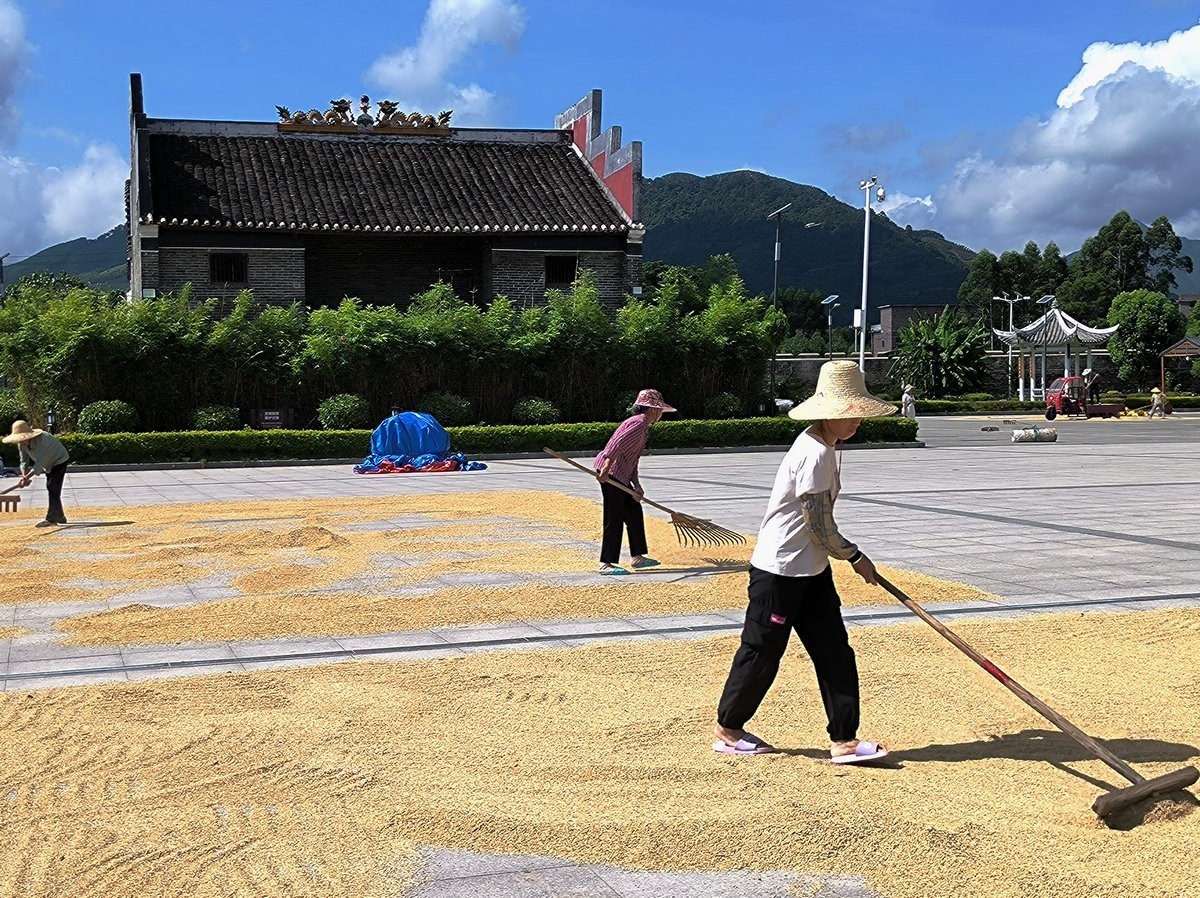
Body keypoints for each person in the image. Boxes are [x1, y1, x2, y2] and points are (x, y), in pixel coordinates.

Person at [713, 360, 897, 764]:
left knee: (834, 650)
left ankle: (845, 740)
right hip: (780, 571)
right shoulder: (814, 453)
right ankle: (728, 729)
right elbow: (820, 526)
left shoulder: (827, 446)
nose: (855, 422)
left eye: (858, 414)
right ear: (825, 413)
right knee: (762, 650)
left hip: (811, 569)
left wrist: (844, 556)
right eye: (847, 414)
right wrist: (856, 556)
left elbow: (820, 530)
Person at [593, 389, 676, 575]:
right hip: (611, 473)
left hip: (621, 474)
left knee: (634, 512)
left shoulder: (643, 427)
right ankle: (605, 563)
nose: (661, 414)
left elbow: (632, 459)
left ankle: (637, 557)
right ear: (652, 410)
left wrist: (636, 485)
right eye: (660, 410)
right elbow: (615, 444)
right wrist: (606, 467)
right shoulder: (637, 423)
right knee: (613, 517)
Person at [3, 419, 71, 527]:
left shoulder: (43, 442)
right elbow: (24, 461)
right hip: (48, 464)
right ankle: (60, 517)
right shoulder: (21, 444)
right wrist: (24, 475)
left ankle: (52, 518)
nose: (21, 442)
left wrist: (27, 478)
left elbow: (38, 464)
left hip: (59, 460)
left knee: (53, 487)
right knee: (52, 488)